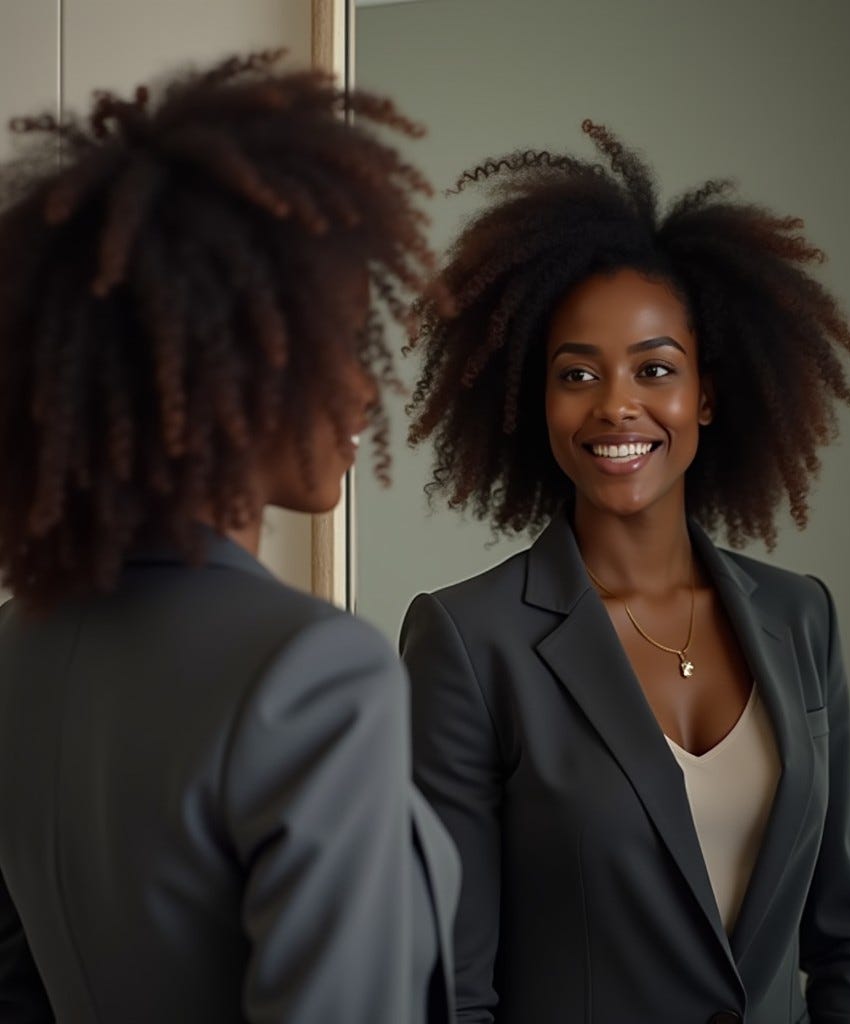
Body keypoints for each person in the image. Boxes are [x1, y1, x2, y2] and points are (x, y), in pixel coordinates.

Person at [400, 122, 850, 1023]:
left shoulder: (801, 618)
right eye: (576, 373)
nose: (616, 404)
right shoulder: (471, 644)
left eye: (654, 368)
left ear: (704, 391)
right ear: (534, 399)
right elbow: (452, 991)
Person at [0, 52, 457, 1023]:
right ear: (237, 359)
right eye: (339, 342)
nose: (366, 387)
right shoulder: (312, 670)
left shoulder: (15, 650)